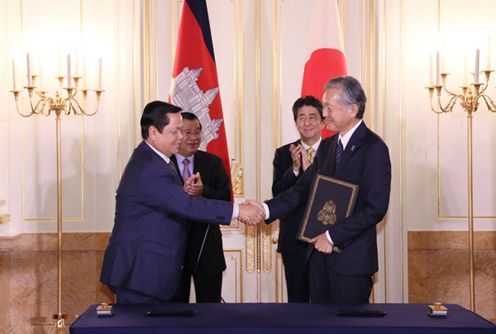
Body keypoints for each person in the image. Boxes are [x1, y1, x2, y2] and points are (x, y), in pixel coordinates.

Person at [100, 101, 263, 304]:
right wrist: (239, 211)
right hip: (141, 272)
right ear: (153, 132)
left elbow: (172, 202)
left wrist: (182, 194)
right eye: (176, 131)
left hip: (145, 269)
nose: (181, 137)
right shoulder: (151, 167)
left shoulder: (156, 160)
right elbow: (188, 206)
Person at [256, 76, 391, 303]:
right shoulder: (328, 146)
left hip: (352, 264)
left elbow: (375, 208)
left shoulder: (374, 148)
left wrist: (331, 236)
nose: (324, 113)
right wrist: (265, 210)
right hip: (318, 260)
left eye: (328, 107)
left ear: (352, 109)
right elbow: (302, 189)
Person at [269, 96, 330, 303]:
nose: (307, 122)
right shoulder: (284, 153)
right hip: (294, 241)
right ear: (295, 123)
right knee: (298, 303)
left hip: (327, 238)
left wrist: (310, 171)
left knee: (326, 303)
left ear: (323, 121)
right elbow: (278, 194)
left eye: (313, 117)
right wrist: (295, 169)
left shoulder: (334, 150)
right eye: (301, 117)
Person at [171, 112, 230, 303]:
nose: (194, 138)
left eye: (197, 132)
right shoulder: (163, 163)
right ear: (177, 134)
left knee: (211, 312)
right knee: (174, 313)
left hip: (207, 248)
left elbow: (225, 200)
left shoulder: (212, 163)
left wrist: (203, 191)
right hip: (173, 249)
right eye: (188, 132)